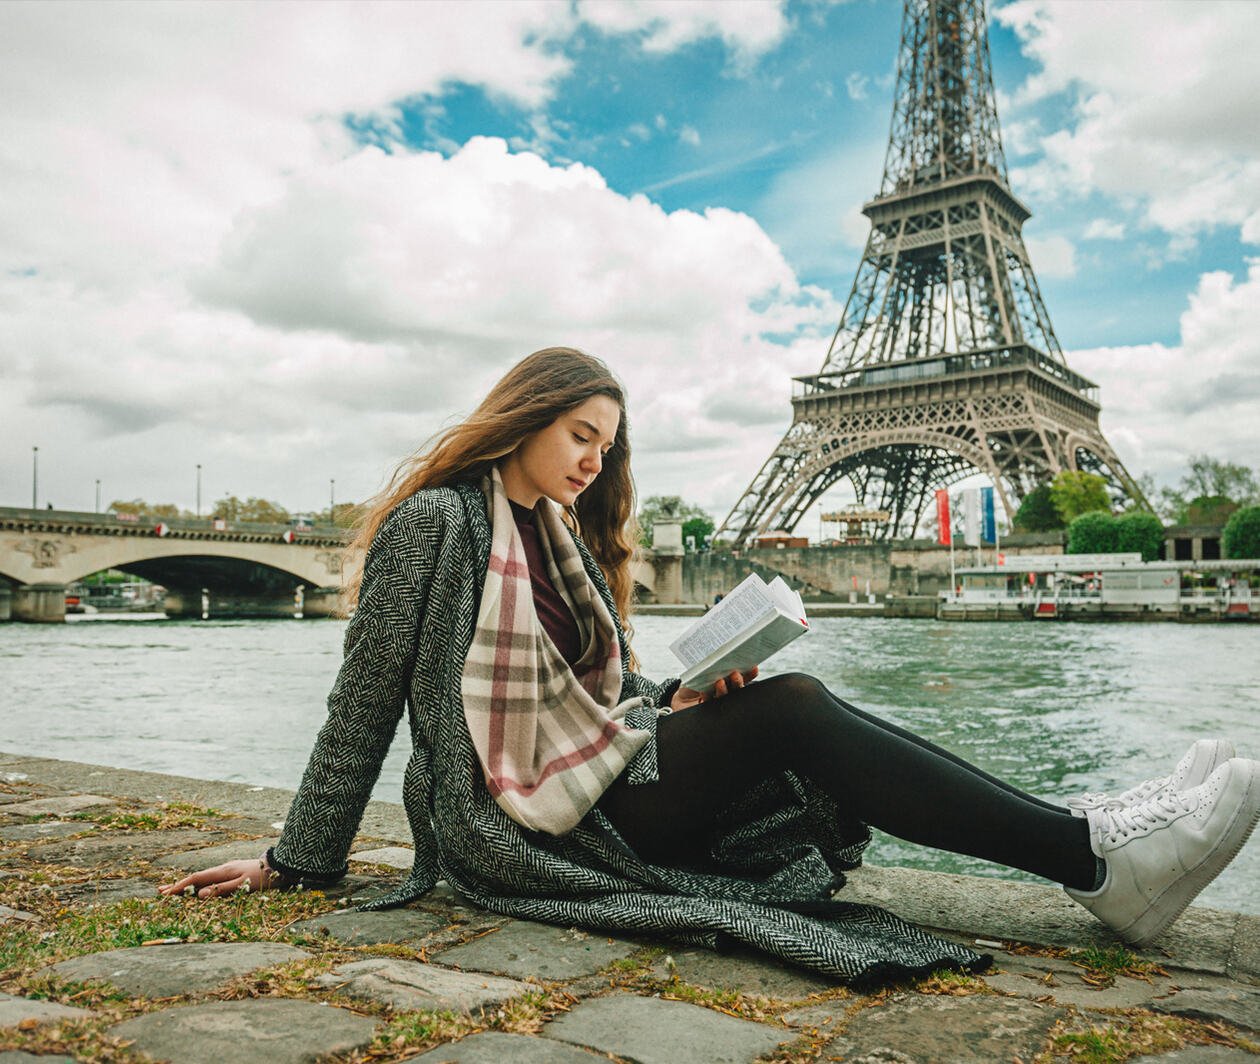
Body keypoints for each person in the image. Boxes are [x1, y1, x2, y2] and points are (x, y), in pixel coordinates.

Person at [160, 347, 1260, 983]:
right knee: (791, 707)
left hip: (602, 780)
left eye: (608, 442)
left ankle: (1087, 835)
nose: (596, 459)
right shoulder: (435, 526)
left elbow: (603, 700)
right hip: (534, 824)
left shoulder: (557, 539)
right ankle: (1092, 853)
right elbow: (360, 707)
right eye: (582, 433)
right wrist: (298, 861)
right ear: (527, 419)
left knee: (776, 694)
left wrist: (683, 693)